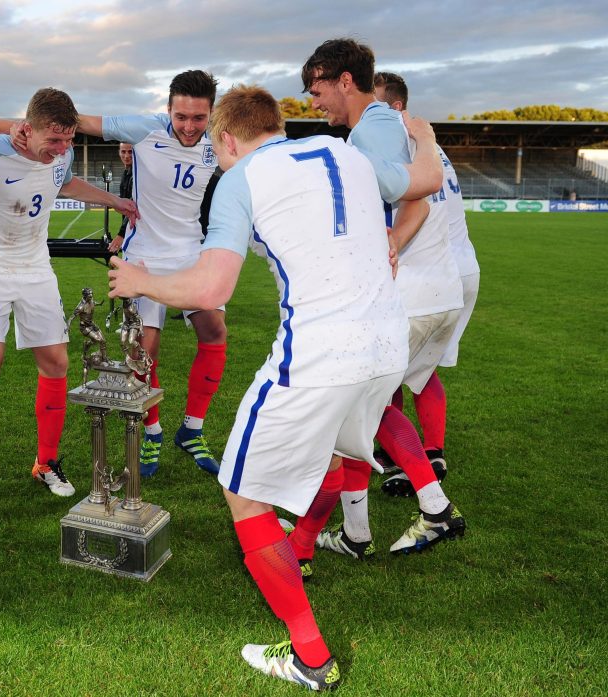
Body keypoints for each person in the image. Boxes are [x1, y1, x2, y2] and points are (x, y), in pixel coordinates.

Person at [109, 84, 409, 690]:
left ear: (226, 136)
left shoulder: (240, 177)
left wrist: (139, 278)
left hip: (319, 351)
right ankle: (301, 546)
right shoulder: (342, 149)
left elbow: (210, 290)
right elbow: (418, 181)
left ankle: (310, 657)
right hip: (388, 343)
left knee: (242, 493)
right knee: (334, 453)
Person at [0, 87, 137, 507]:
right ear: (27, 130)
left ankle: (47, 461)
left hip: (36, 267)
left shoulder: (62, 156)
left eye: (69, 140)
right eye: (53, 141)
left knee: (57, 362)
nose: (61, 149)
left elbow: (66, 180)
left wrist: (115, 200)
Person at [301, 38, 466, 557]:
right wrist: (394, 238)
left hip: (405, 297)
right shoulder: (390, 128)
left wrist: (391, 243)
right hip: (436, 288)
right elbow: (420, 195)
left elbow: (418, 191)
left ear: (344, 80)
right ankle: (359, 534)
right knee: (362, 412)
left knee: (356, 411)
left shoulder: (370, 132)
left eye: (317, 89)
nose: (313, 102)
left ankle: (431, 511)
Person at [76, 70, 228, 478]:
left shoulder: (222, 140)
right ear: (168, 110)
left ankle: (192, 430)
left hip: (192, 254)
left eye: (199, 118)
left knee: (214, 333)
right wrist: (14, 127)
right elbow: (77, 119)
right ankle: (154, 430)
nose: (190, 126)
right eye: (181, 117)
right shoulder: (143, 129)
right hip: (144, 255)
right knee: (145, 347)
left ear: (211, 113)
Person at [373, 71, 480, 491]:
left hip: (426, 272)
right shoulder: (430, 148)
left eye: (376, 107)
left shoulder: (397, 145)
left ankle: (400, 461)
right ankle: (432, 452)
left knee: (385, 373)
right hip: (461, 271)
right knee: (423, 368)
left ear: (396, 108)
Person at [108, 142, 133, 252]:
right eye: (123, 151)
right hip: (131, 229)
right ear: (119, 152)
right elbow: (125, 199)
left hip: (137, 231)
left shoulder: (138, 174)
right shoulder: (127, 172)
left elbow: (134, 205)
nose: (126, 156)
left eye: (130, 152)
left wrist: (121, 234)